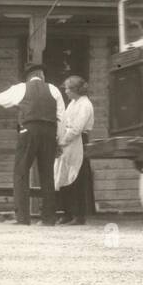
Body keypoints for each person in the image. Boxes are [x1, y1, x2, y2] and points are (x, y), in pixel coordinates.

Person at [0, 62, 65, 225]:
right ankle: (49, 218)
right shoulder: (54, 90)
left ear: (29, 76)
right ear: (41, 75)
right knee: (47, 175)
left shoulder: (21, 88)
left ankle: (23, 218)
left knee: (21, 172)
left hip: (29, 130)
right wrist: (59, 141)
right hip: (49, 133)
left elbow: (0, 98)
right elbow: (61, 117)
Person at [54, 75, 95, 224]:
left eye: (68, 89)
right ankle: (67, 212)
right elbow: (65, 122)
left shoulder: (85, 104)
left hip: (78, 141)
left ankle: (79, 215)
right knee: (64, 174)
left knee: (77, 176)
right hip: (68, 141)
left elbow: (77, 128)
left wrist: (63, 141)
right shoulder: (72, 103)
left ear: (76, 90)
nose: (65, 91)